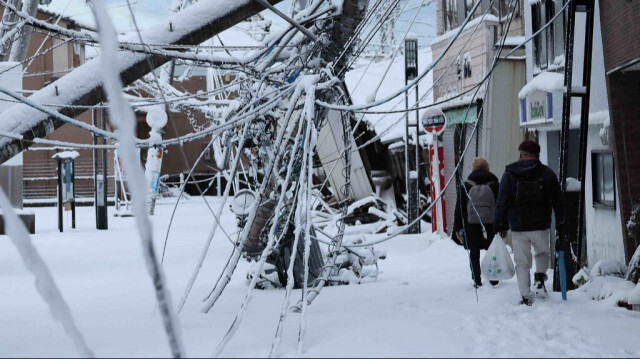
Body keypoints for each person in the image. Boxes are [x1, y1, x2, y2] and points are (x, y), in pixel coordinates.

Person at [494, 140, 564, 306]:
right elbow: (558, 200)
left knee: (522, 262)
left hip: (519, 225)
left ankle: (525, 295)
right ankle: (540, 278)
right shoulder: (547, 173)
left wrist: (498, 223)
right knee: (542, 253)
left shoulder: (510, 174)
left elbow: (502, 200)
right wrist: (561, 219)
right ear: (537, 155)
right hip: (540, 224)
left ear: (521, 153)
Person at [453, 157, 500, 288]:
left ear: (473, 168)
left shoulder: (466, 184)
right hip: (491, 225)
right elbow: (501, 205)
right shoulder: (495, 184)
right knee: (492, 251)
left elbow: (459, 208)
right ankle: (494, 279)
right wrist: (502, 225)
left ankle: (477, 280)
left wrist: (458, 228)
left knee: (474, 253)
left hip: (471, 224)